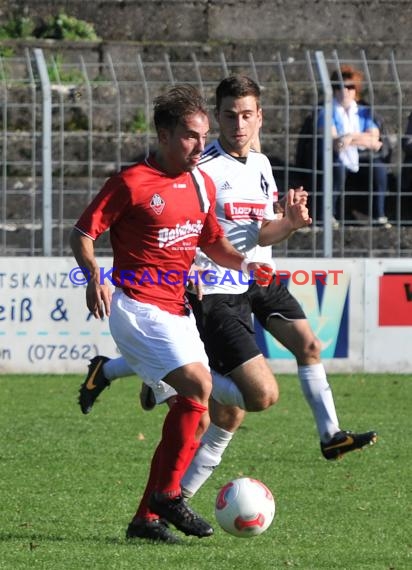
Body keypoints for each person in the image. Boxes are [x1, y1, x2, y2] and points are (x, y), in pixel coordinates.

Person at [78, 76, 376, 501]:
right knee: (235, 407)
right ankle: (160, 388)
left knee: (309, 345)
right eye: (230, 115)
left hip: (258, 277)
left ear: (260, 118)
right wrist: (187, 272)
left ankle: (330, 436)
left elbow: (261, 233)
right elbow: (188, 229)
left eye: (247, 115)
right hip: (216, 289)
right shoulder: (201, 167)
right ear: (217, 118)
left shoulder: (262, 164)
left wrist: (289, 223)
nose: (239, 124)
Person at [70, 84, 278, 544]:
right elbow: (83, 232)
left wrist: (246, 264)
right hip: (138, 307)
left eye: (203, 136)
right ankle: (168, 495)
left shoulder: (200, 183)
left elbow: (213, 244)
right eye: (189, 136)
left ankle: (145, 519)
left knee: (202, 413)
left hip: (178, 310)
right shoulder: (130, 183)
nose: (199, 146)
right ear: (163, 134)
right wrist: (92, 276)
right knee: (199, 387)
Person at [317, 64, 391, 228]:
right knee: (336, 169)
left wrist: (349, 137)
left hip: (363, 156)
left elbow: (375, 141)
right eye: (340, 86)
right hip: (336, 157)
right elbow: (335, 144)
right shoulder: (326, 112)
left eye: (350, 87)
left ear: (356, 89)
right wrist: (361, 138)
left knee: (379, 170)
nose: (345, 90)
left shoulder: (364, 111)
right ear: (334, 89)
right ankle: (327, 215)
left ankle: (378, 215)